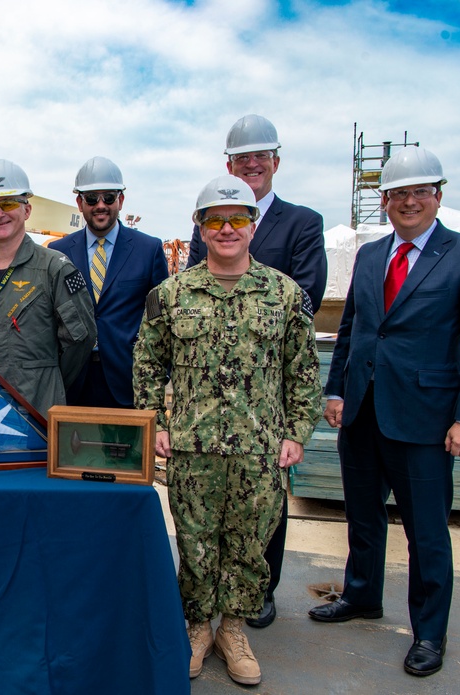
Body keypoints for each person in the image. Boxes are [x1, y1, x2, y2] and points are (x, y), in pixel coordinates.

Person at [309, 146, 460, 678]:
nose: (409, 201)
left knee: (426, 532)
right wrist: (336, 390)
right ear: (385, 200)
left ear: (438, 195)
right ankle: (362, 596)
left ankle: (429, 633)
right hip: (364, 412)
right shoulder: (372, 256)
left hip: (425, 419)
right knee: (363, 517)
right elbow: (353, 328)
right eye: (399, 193)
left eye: (420, 191)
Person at [133, 175, 321, 686]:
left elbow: (301, 369)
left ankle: (233, 629)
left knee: (248, 544)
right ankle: (197, 628)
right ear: (200, 227)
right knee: (193, 542)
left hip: (259, 448)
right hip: (193, 448)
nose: (226, 228)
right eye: (214, 219)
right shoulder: (171, 295)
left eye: (237, 218)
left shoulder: (284, 294)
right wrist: (156, 425)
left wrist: (296, 433)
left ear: (253, 226)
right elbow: (149, 365)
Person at [185, 114, 328, 629]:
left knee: (263, 510)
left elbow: (305, 297)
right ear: (229, 164)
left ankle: (257, 596)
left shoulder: (301, 222)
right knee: (203, 521)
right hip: (207, 403)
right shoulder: (209, 220)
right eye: (242, 158)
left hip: (262, 391)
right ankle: (204, 617)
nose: (252, 164)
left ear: (276, 162)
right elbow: (188, 297)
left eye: (260, 157)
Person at [0, 159, 96, 417]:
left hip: (37, 408)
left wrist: (45, 377)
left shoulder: (55, 269)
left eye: (8, 203)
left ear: (27, 210)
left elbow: (80, 340)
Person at [48, 157, 168, 408]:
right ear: (80, 203)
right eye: (92, 198)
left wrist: (158, 376)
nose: (100, 205)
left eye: (109, 198)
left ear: (121, 201)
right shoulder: (58, 252)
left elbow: (162, 321)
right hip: (73, 381)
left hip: (128, 382)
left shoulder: (148, 250)